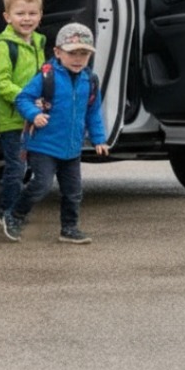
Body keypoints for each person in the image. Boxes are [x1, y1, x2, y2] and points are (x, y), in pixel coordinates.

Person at [13, 22, 109, 244]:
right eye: (72, 53)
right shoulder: (48, 77)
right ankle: (16, 214)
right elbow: (23, 98)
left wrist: (99, 139)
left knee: (73, 191)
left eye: (83, 54)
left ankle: (69, 228)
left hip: (72, 148)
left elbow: (93, 113)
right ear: (57, 52)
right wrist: (33, 114)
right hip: (43, 145)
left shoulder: (90, 81)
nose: (78, 59)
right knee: (41, 185)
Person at [0, 0, 46, 241]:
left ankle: (11, 210)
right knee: (15, 169)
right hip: (13, 119)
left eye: (32, 13)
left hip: (33, 118)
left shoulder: (38, 42)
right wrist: (28, 99)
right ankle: (7, 211)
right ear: (7, 17)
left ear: (40, 15)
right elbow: (1, 83)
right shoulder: (3, 46)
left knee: (31, 168)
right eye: (20, 14)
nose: (27, 19)